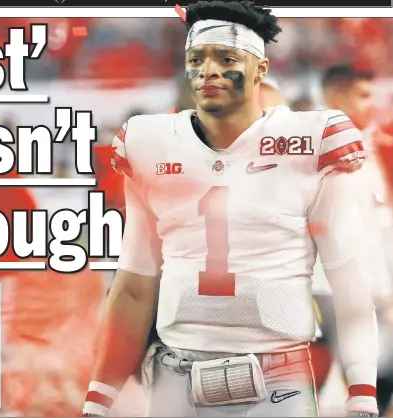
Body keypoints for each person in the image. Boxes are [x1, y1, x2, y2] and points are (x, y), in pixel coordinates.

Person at [83, 3, 379, 416]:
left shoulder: (309, 140)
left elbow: (349, 281)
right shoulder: (150, 142)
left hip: (278, 378)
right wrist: (99, 397)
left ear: (261, 69)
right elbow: (134, 284)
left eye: (226, 58)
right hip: (175, 376)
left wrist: (362, 393)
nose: (208, 70)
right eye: (196, 59)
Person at [310, 64, 393, 416]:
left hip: (372, 282)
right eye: (362, 94)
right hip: (329, 285)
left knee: (377, 378)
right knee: (359, 377)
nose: (370, 103)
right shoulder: (313, 149)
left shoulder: (369, 149)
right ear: (337, 96)